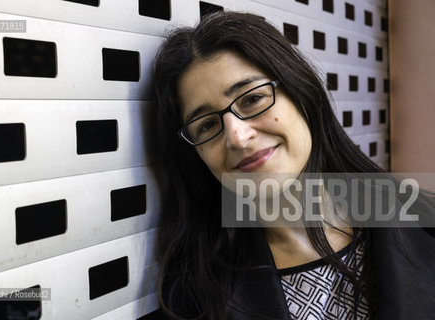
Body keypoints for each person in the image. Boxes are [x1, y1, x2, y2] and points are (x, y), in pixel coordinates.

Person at [152, 11, 435, 320]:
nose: (238, 137)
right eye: (206, 125)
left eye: (252, 99)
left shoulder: (424, 225)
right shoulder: (195, 298)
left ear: (301, 93)